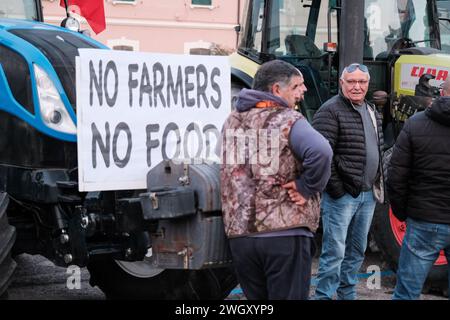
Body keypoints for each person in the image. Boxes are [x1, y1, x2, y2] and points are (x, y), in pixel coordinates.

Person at [220, 60, 332, 300]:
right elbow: (322, 151)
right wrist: (306, 187)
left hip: (240, 236)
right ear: (276, 90)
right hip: (284, 235)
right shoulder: (288, 120)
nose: (303, 91)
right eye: (297, 86)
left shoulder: (231, 121)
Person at [312, 63, 385, 300]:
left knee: (356, 251)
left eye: (361, 82)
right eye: (351, 82)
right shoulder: (330, 110)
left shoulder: (372, 110)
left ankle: (347, 294)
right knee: (335, 252)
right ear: (342, 83)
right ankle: (323, 296)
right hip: (343, 196)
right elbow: (321, 154)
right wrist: (336, 189)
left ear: (367, 84)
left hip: (367, 195)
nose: (356, 86)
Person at [388, 78, 450, 300]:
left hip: (425, 221)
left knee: (406, 293)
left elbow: (396, 176)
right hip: (426, 217)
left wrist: (403, 212)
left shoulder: (415, 123)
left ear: (441, 92)